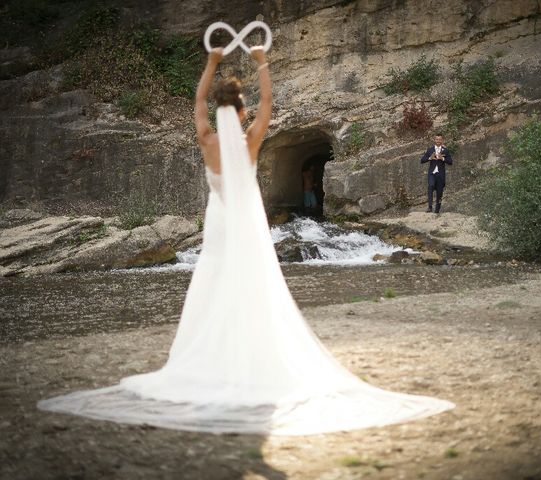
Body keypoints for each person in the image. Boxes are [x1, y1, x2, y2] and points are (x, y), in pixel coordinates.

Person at [38, 45, 454, 435]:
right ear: (240, 113)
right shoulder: (250, 141)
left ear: (219, 112)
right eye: (244, 109)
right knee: (255, 284)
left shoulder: (207, 141)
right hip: (247, 221)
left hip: (219, 220)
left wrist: (211, 62)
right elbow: (268, 106)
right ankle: (255, 357)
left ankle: (211, 360)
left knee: (215, 280)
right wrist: (261, 62)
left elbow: (198, 106)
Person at [420, 133, 453, 213]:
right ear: (434, 140)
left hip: (440, 175)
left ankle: (437, 210)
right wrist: (429, 158)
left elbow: (450, 162)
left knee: (439, 193)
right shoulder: (430, 150)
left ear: (442, 140)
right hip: (432, 173)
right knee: (430, 186)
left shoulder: (445, 150)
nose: (438, 141)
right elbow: (422, 160)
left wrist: (443, 158)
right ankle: (430, 207)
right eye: (437, 139)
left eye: (440, 139)